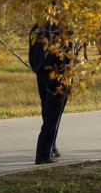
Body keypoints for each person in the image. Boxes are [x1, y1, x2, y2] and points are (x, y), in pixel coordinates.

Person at [28, 18, 72, 165]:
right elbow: (67, 54)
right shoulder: (62, 28)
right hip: (58, 75)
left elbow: (31, 53)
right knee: (52, 115)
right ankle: (43, 154)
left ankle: (51, 147)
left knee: (48, 112)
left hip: (41, 74)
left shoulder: (36, 27)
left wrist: (37, 68)